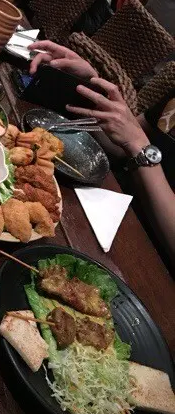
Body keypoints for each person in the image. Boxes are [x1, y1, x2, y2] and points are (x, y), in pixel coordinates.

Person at [29, 40, 175, 261]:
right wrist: (90, 92)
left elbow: (137, 143)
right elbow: (121, 145)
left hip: (144, 260)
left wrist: (141, 148)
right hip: (103, 206)